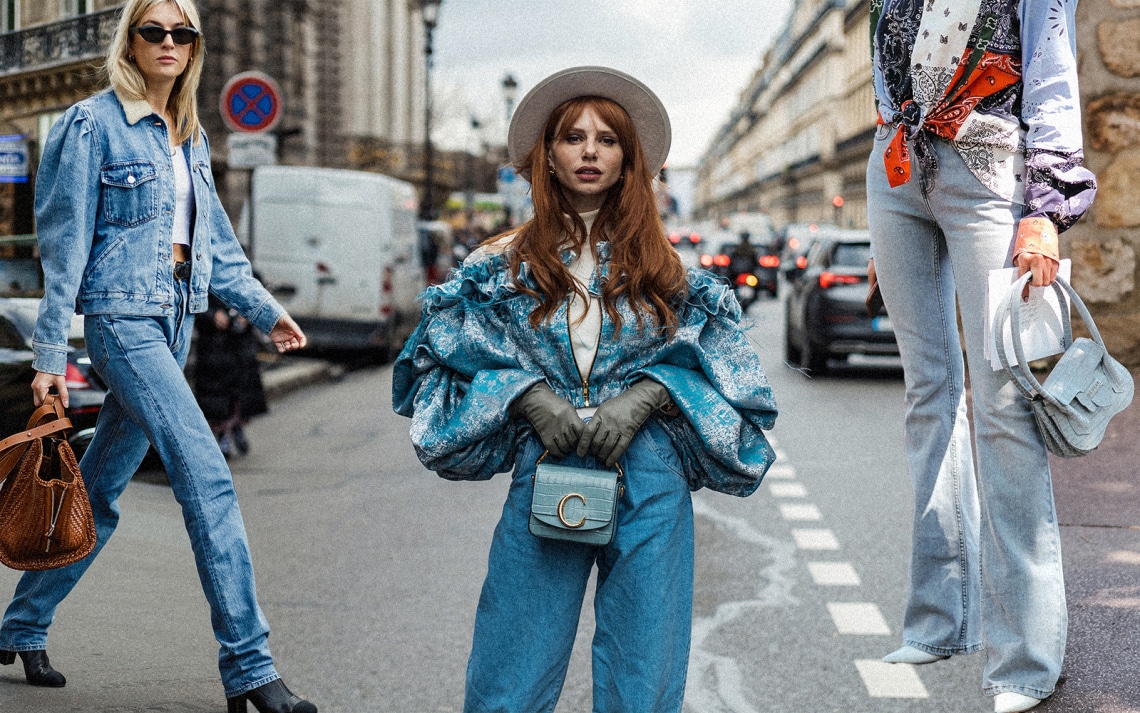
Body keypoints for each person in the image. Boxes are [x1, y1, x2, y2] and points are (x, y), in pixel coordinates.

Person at [392, 66, 778, 712]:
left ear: (630, 157)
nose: (590, 150)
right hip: (548, 466)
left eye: (607, 138)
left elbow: (730, 368)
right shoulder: (499, 264)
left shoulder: (670, 268)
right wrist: (525, 396)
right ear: (548, 154)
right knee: (510, 669)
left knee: (644, 677)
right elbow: (436, 361)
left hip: (650, 476)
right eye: (573, 137)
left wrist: (650, 393)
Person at [0, 2, 317, 712]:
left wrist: (270, 312)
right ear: (131, 41)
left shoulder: (191, 136)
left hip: (176, 323)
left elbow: (219, 252)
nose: (168, 43)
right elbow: (63, 243)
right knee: (208, 479)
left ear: (195, 46)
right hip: (120, 320)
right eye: (154, 30)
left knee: (102, 491)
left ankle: (21, 623)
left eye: (182, 33)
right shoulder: (92, 123)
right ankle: (250, 665)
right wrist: (51, 349)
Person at [866, 2, 1096, 712]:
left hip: (991, 164)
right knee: (927, 394)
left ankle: (1026, 660)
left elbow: (1052, 76)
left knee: (1001, 407)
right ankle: (939, 623)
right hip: (896, 164)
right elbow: (890, 52)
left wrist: (1046, 210)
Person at [195, 293, 269, 457]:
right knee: (217, 394)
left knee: (240, 391)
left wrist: (247, 315)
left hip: (241, 345)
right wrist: (212, 315)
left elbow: (260, 296)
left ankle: (237, 427)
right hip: (214, 344)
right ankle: (221, 434)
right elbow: (191, 298)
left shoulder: (247, 269)